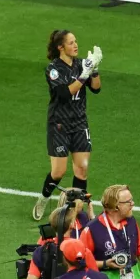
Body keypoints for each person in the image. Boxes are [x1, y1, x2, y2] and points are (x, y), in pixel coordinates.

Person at [34, 31, 103, 222]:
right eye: (71, 43)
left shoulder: (81, 64)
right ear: (60, 47)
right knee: (59, 172)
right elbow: (64, 94)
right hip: (59, 124)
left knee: (82, 169)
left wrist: (94, 69)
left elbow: (96, 88)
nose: (76, 45)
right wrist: (84, 75)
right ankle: (44, 198)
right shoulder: (53, 69)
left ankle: (74, 212)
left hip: (79, 123)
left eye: (76, 41)